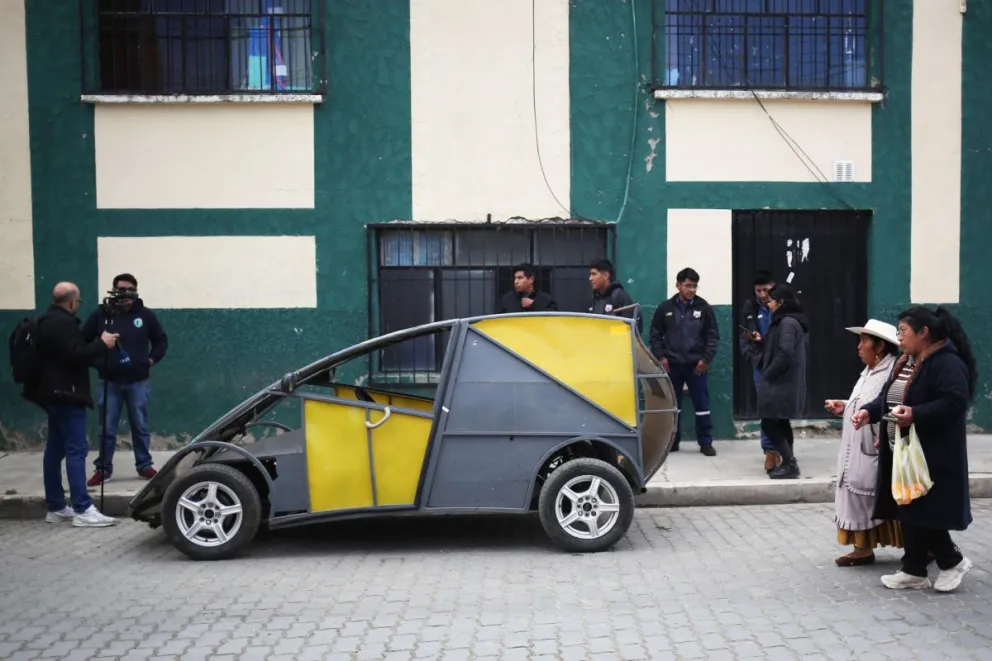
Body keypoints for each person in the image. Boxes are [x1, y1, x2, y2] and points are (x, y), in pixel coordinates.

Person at [852, 306, 976, 592]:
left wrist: (916, 414)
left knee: (925, 510)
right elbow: (890, 397)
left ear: (924, 333)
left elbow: (954, 401)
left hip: (933, 452)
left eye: (903, 332)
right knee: (909, 507)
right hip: (905, 448)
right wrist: (869, 413)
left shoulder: (945, 363)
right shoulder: (908, 361)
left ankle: (951, 561)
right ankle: (914, 569)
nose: (899, 337)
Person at [24, 282, 119, 527]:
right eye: (78, 302)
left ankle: (56, 506)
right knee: (76, 450)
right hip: (67, 394)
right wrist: (102, 343)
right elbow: (75, 355)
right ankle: (83, 508)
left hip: (50, 394)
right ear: (71, 302)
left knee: (55, 449)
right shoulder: (64, 323)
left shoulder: (45, 320)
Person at [824, 319, 902, 566]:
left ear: (879, 347)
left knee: (881, 498)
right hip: (856, 450)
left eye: (864, 341)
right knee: (858, 497)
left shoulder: (890, 374)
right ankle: (862, 548)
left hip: (875, 449)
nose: (859, 347)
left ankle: (926, 546)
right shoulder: (869, 372)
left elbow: (885, 406)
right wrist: (844, 406)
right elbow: (863, 403)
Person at [82, 273, 168, 486]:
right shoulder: (101, 315)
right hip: (109, 381)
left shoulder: (146, 316)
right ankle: (103, 468)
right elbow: (82, 342)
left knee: (139, 425)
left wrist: (150, 360)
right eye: (121, 290)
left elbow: (160, 340)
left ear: (136, 291)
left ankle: (144, 465)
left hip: (137, 381)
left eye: (130, 290)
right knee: (107, 428)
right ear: (113, 291)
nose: (126, 295)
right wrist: (98, 362)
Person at [649, 267, 719, 456]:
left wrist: (705, 359)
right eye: (688, 286)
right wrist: (661, 357)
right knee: (673, 407)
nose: (691, 290)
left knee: (702, 406)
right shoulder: (665, 308)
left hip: (697, 367)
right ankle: (673, 441)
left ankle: (705, 442)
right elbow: (655, 334)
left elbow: (712, 336)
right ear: (678, 285)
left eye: (695, 286)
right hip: (672, 366)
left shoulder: (703, 308)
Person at [750, 284, 808, 479]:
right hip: (784, 382)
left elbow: (785, 353)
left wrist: (768, 373)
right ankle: (788, 461)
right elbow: (779, 347)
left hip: (782, 383)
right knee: (781, 422)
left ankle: (790, 463)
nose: (769, 304)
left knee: (769, 423)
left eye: (772, 301)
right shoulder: (786, 322)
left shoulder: (787, 323)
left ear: (782, 302)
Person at [739, 270, 779, 472]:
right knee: (765, 406)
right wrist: (749, 350)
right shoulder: (750, 307)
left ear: (773, 286)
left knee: (780, 407)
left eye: (765, 290)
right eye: (758, 291)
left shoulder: (782, 306)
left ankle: (781, 448)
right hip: (760, 363)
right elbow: (742, 332)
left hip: (780, 364)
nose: (762, 295)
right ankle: (769, 451)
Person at [588, 259, 642, 333]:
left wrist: (607, 333)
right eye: (590, 275)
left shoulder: (619, 296)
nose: (590, 278)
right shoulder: (596, 297)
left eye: (594, 274)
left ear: (605, 275)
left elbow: (628, 328)